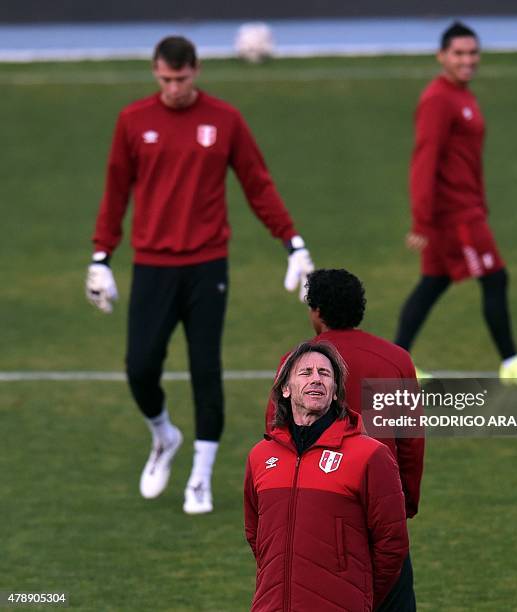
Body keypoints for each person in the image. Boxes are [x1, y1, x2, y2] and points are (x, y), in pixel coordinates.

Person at [85, 36, 314, 514]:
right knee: (140, 367)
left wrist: (292, 242)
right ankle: (164, 436)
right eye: (165, 79)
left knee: (205, 367)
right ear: (155, 72)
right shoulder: (133, 121)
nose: (173, 88)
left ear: (196, 71)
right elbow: (115, 191)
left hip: (208, 263)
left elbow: (257, 183)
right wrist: (101, 257)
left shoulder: (225, 119)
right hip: (152, 264)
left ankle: (200, 478)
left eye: (181, 79)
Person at [395, 22, 517, 387]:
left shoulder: (463, 95)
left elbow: (466, 157)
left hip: (467, 206)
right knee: (495, 278)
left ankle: (395, 366)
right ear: (442, 56)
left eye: (472, 53)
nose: (468, 60)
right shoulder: (438, 99)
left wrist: (481, 199)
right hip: (454, 213)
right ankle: (511, 362)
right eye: (459, 54)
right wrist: (421, 220)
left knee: (432, 282)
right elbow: (424, 160)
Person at [265, 268, 423, 611]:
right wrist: (404, 503)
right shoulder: (395, 361)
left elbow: (277, 438)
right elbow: (409, 442)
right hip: (382, 512)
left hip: (318, 517)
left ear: (317, 312)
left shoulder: (295, 365)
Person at [245, 341, 409, 611]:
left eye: (325, 374)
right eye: (306, 372)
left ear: (335, 392)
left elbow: (392, 543)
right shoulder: (261, 456)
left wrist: (359, 597)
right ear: (285, 389)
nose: (316, 379)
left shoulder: (369, 455)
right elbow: (256, 534)